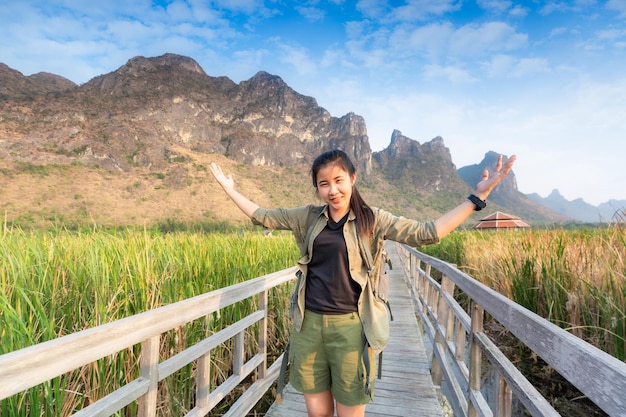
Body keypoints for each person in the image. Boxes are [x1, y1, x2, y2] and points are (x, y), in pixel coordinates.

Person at [209, 149, 516, 417]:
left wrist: (477, 199)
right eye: (324, 184)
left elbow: (428, 232)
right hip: (309, 326)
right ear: (316, 188)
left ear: (353, 178)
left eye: (339, 180)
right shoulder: (308, 217)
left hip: (352, 329)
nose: (333, 190)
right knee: (317, 412)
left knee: (350, 410)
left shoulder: (373, 219)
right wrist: (227, 189)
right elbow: (261, 215)